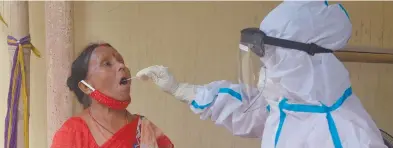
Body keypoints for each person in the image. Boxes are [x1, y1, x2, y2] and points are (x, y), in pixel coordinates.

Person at [136, 1, 387, 148]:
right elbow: (250, 111)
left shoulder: (348, 136)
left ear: (308, 57)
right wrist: (183, 90)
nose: (266, 70)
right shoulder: (293, 105)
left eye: (272, 57)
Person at [51, 43, 174, 148]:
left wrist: (178, 90)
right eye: (107, 64)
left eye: (121, 61)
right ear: (85, 87)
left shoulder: (145, 130)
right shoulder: (72, 134)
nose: (121, 66)